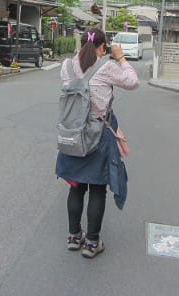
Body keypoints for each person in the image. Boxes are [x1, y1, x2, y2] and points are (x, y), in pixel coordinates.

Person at [55, 27, 139, 259]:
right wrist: (120, 57)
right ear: (102, 47)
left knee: (76, 186)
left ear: (82, 44)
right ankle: (92, 242)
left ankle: (74, 236)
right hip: (98, 134)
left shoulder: (66, 66)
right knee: (97, 188)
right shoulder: (106, 66)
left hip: (73, 132)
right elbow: (133, 82)